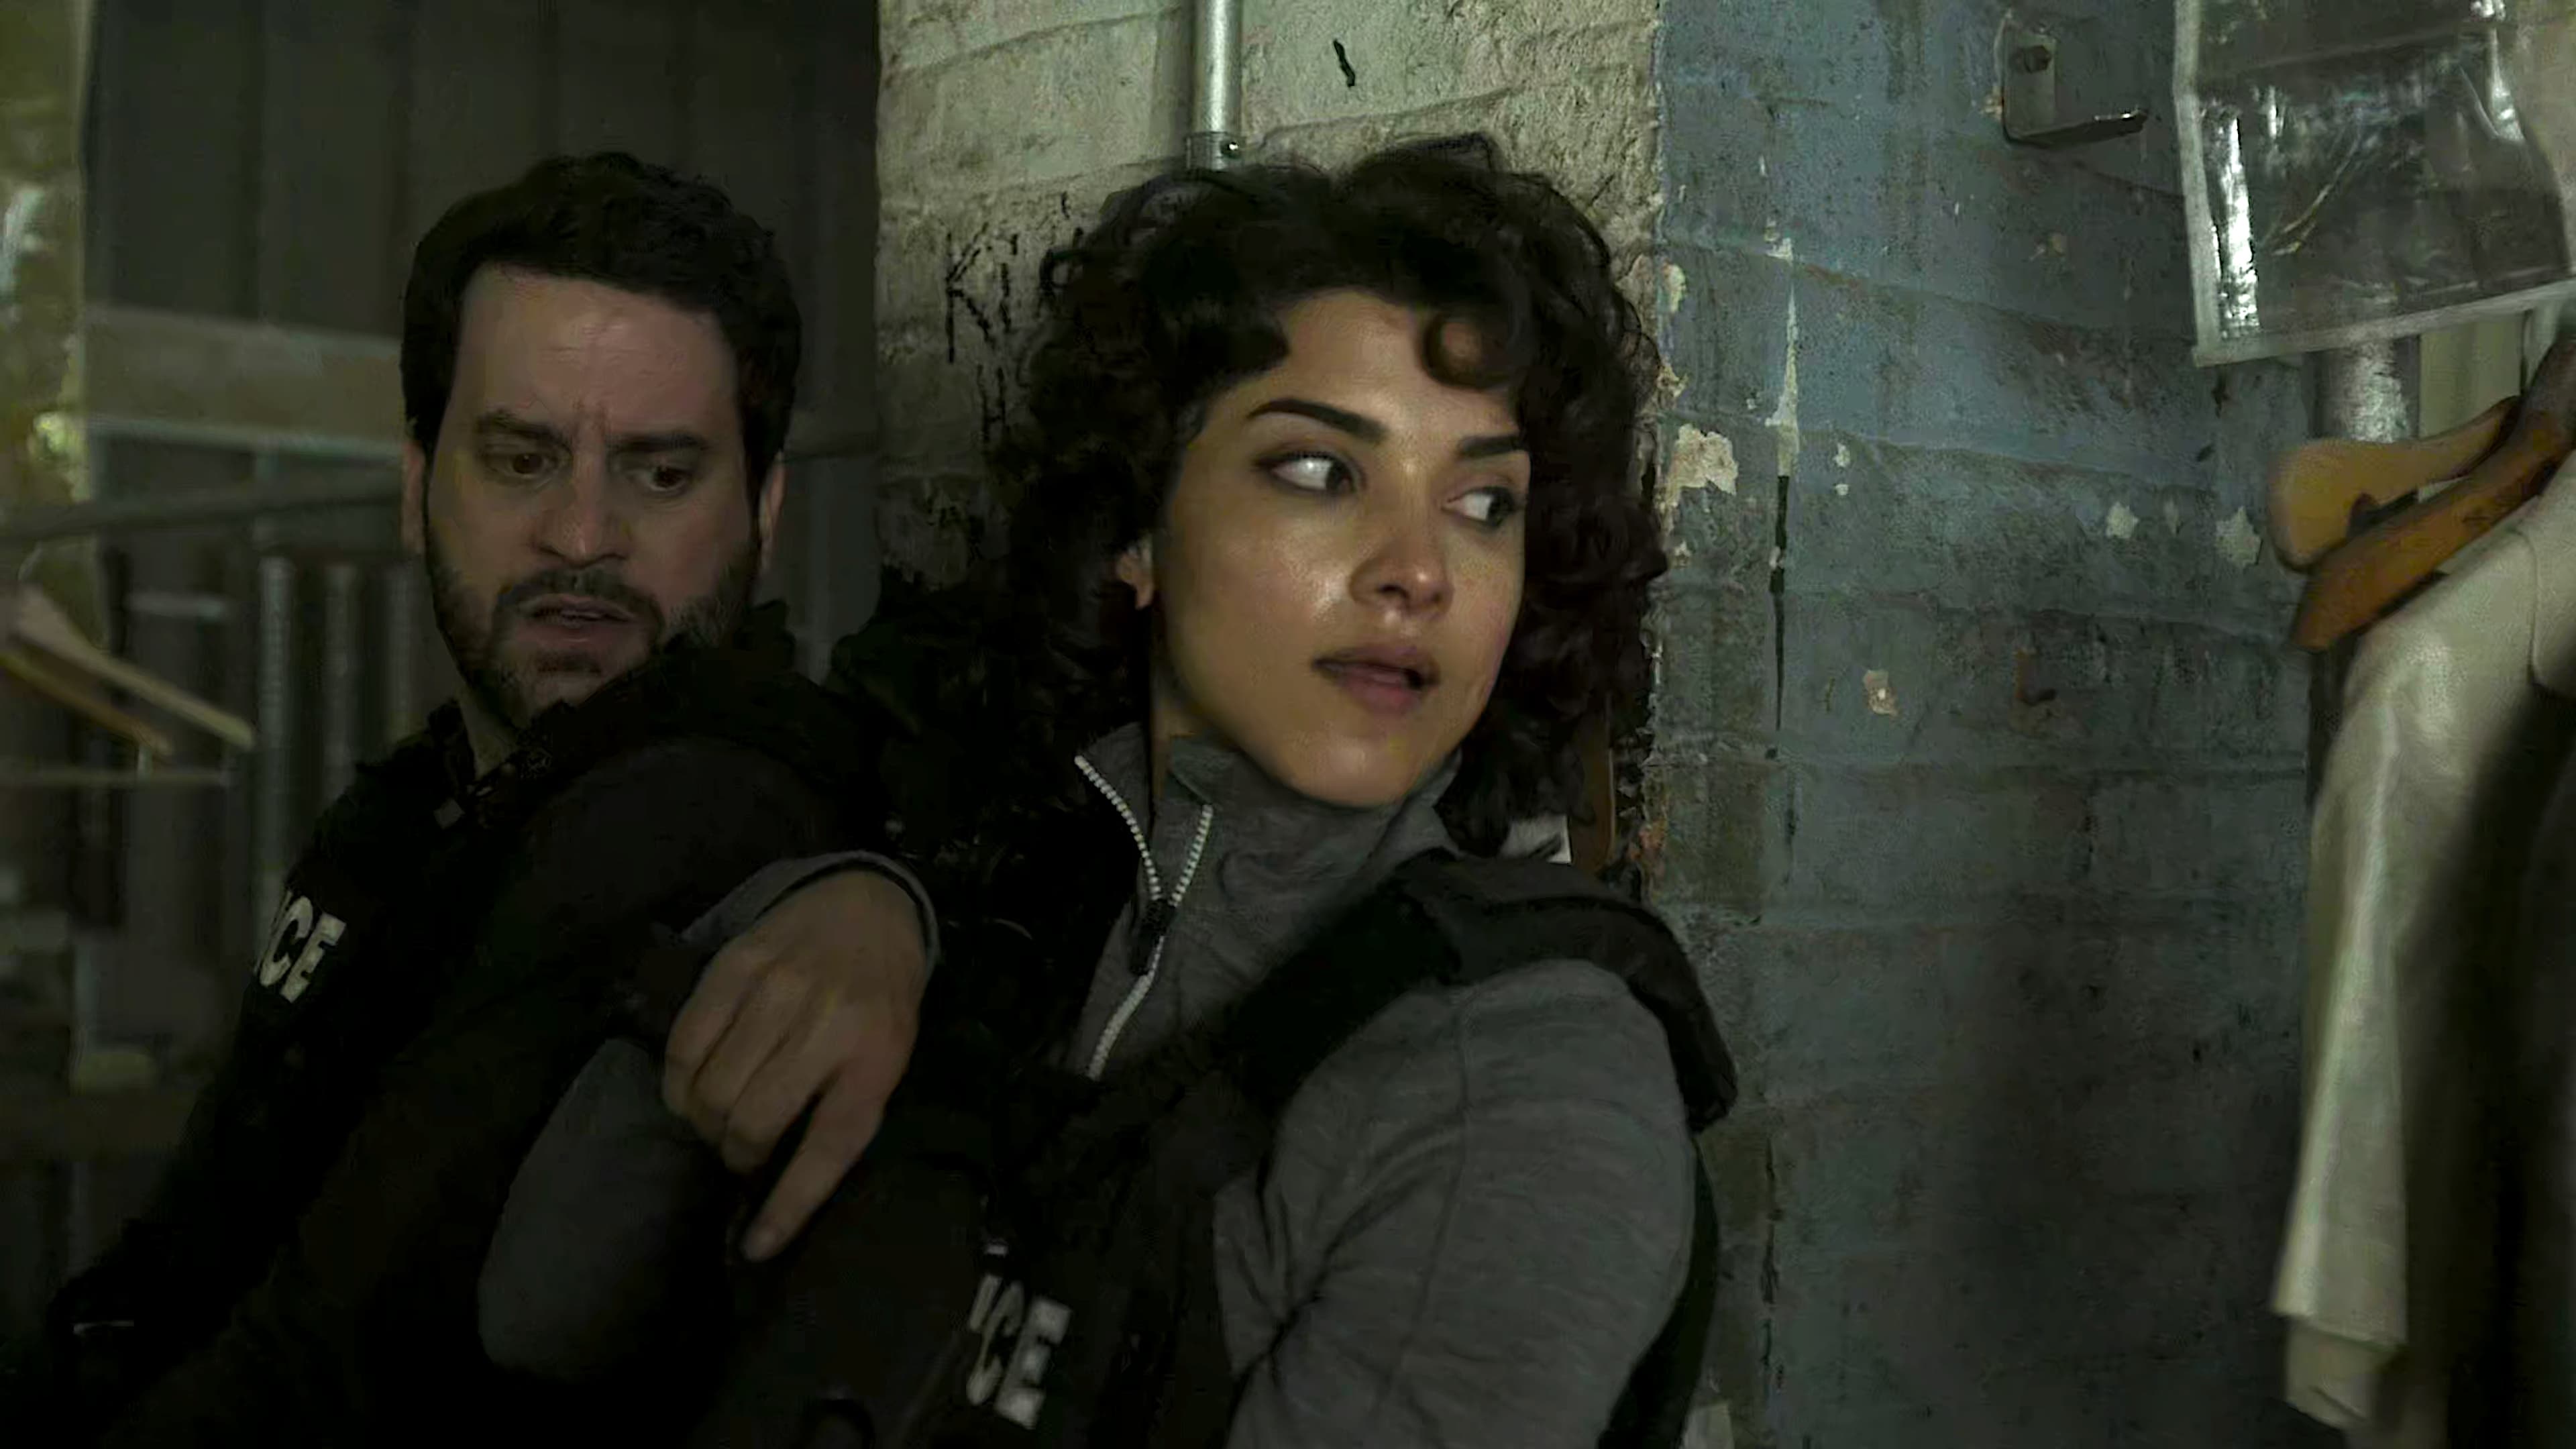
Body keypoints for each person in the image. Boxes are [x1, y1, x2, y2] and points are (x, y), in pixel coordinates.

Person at [481, 133, 1719, 1447]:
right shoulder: (1008, 900)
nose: (1418, 569)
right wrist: (808, 920)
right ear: (1139, 531)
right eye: (1321, 471)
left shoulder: (1522, 1081)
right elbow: (543, 1316)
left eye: (1484, 504)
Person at [3, 153, 932, 1444]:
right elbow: (197, 1244)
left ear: (763, 512)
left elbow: (328, 1364)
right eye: (522, 459)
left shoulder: (704, 814)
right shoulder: (411, 807)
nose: (582, 537)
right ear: (415, 485)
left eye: (661, 473)